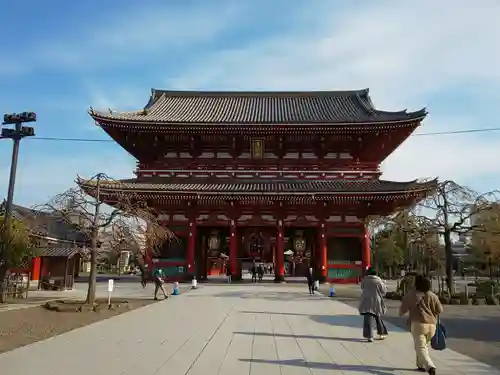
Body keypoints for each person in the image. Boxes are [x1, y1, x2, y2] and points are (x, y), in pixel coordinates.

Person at [399, 275, 443, 375]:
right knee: (423, 345)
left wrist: (402, 313)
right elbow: (440, 310)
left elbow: (402, 310)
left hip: (418, 325)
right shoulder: (432, 295)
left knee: (420, 347)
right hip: (432, 325)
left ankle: (430, 366)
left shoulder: (411, 295)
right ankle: (420, 365)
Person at [358, 267, 388, 342]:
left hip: (366, 300)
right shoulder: (378, 281)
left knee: (368, 318)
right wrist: (384, 283)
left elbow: (362, 287)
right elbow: (383, 291)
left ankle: (369, 336)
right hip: (376, 300)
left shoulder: (365, 279)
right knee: (378, 317)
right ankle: (382, 333)